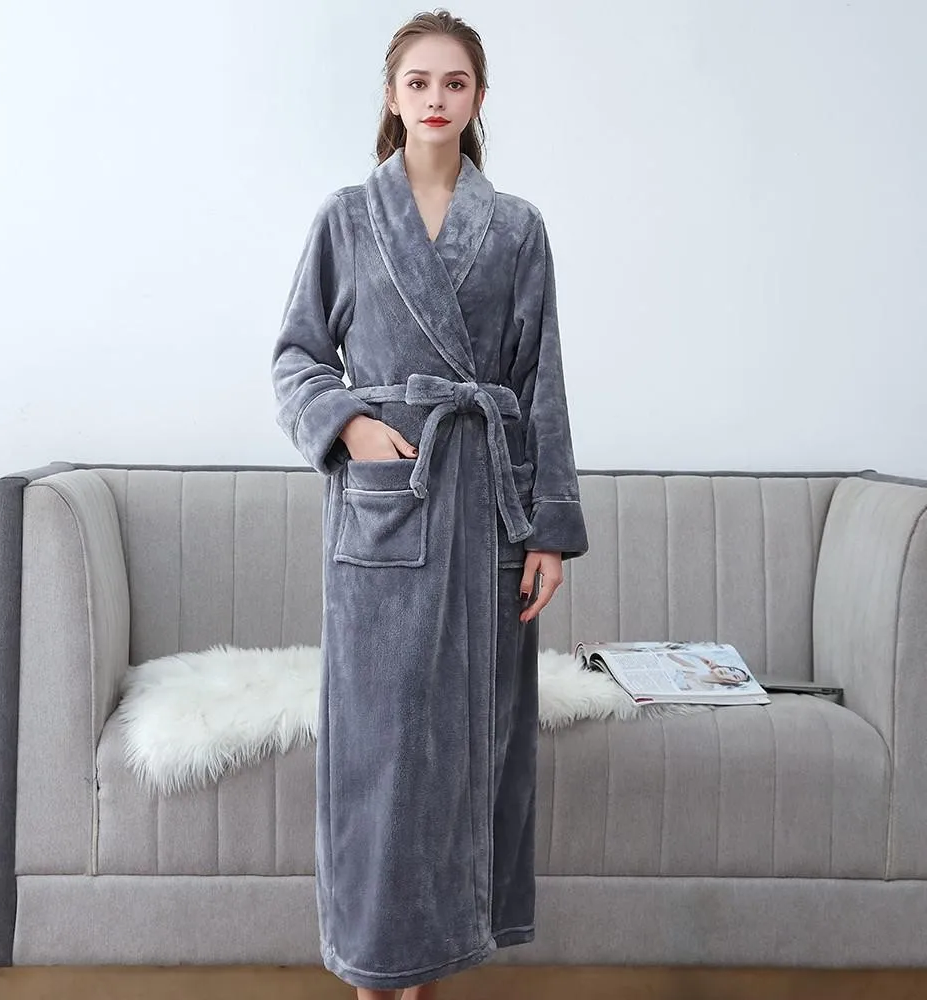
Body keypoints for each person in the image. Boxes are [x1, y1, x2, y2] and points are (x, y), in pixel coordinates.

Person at [270, 10, 589, 998]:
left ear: (479, 98)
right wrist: (350, 426)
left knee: (466, 752)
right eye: (419, 82)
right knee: (383, 758)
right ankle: (375, 970)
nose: (436, 99)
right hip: (385, 510)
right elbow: (295, 356)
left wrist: (547, 531)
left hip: (485, 516)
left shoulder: (517, 228)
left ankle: (432, 973)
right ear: (392, 95)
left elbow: (538, 383)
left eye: (455, 83)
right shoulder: (345, 219)